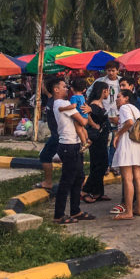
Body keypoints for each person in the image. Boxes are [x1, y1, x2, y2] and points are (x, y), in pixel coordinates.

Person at [49, 78, 94, 225]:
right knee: (67, 181)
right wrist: (87, 111)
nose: (67, 88)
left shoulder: (60, 104)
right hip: (68, 145)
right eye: (63, 86)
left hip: (73, 144)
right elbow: (82, 121)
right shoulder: (63, 103)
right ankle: (59, 215)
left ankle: (76, 210)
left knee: (79, 177)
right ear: (56, 89)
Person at [111, 87, 140, 220]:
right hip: (137, 143)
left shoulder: (124, 108)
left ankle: (129, 211)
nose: (117, 99)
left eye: (119, 96)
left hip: (127, 143)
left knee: (127, 179)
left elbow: (129, 122)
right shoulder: (135, 108)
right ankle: (138, 207)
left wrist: (118, 134)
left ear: (126, 98)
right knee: (138, 177)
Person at [81, 81, 112, 204]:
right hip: (97, 138)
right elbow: (87, 115)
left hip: (102, 138)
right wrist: (95, 125)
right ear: (103, 90)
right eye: (107, 90)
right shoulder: (93, 105)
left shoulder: (99, 103)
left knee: (99, 164)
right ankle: (85, 190)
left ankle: (98, 192)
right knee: (100, 165)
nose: (108, 93)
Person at [36, 85, 59, 191]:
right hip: (57, 135)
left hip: (58, 135)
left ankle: (48, 182)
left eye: (43, 85)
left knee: (45, 156)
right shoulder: (51, 100)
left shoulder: (56, 102)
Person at [68, 77, 91, 150]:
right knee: (82, 128)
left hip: (79, 115)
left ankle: (84, 143)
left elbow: (73, 106)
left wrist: (64, 108)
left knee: (78, 130)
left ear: (72, 88)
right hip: (85, 115)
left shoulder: (73, 97)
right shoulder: (82, 96)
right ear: (84, 90)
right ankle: (87, 139)